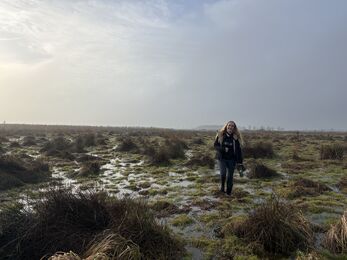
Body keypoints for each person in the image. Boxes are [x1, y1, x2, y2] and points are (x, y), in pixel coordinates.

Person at [214, 121, 244, 196]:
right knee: (223, 173)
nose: (230, 127)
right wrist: (223, 149)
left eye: (232, 126)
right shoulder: (220, 135)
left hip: (232, 159)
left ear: (234, 128)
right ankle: (222, 188)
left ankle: (229, 192)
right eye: (229, 125)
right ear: (226, 126)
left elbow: (238, 151)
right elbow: (215, 146)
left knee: (230, 176)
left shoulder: (235, 138)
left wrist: (240, 163)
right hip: (222, 158)